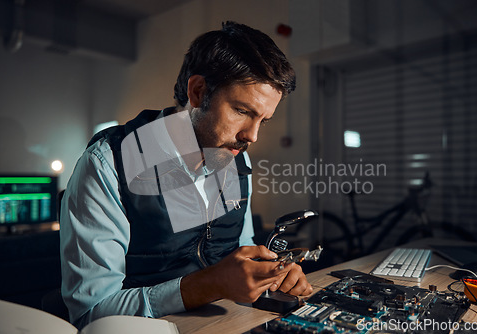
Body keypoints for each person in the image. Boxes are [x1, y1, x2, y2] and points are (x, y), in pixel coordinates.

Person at [60, 21, 312, 328]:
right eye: (243, 111)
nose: (252, 136)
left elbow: (241, 255)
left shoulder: (235, 158)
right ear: (198, 91)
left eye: (263, 120)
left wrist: (269, 276)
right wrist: (209, 285)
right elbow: (92, 312)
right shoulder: (108, 164)